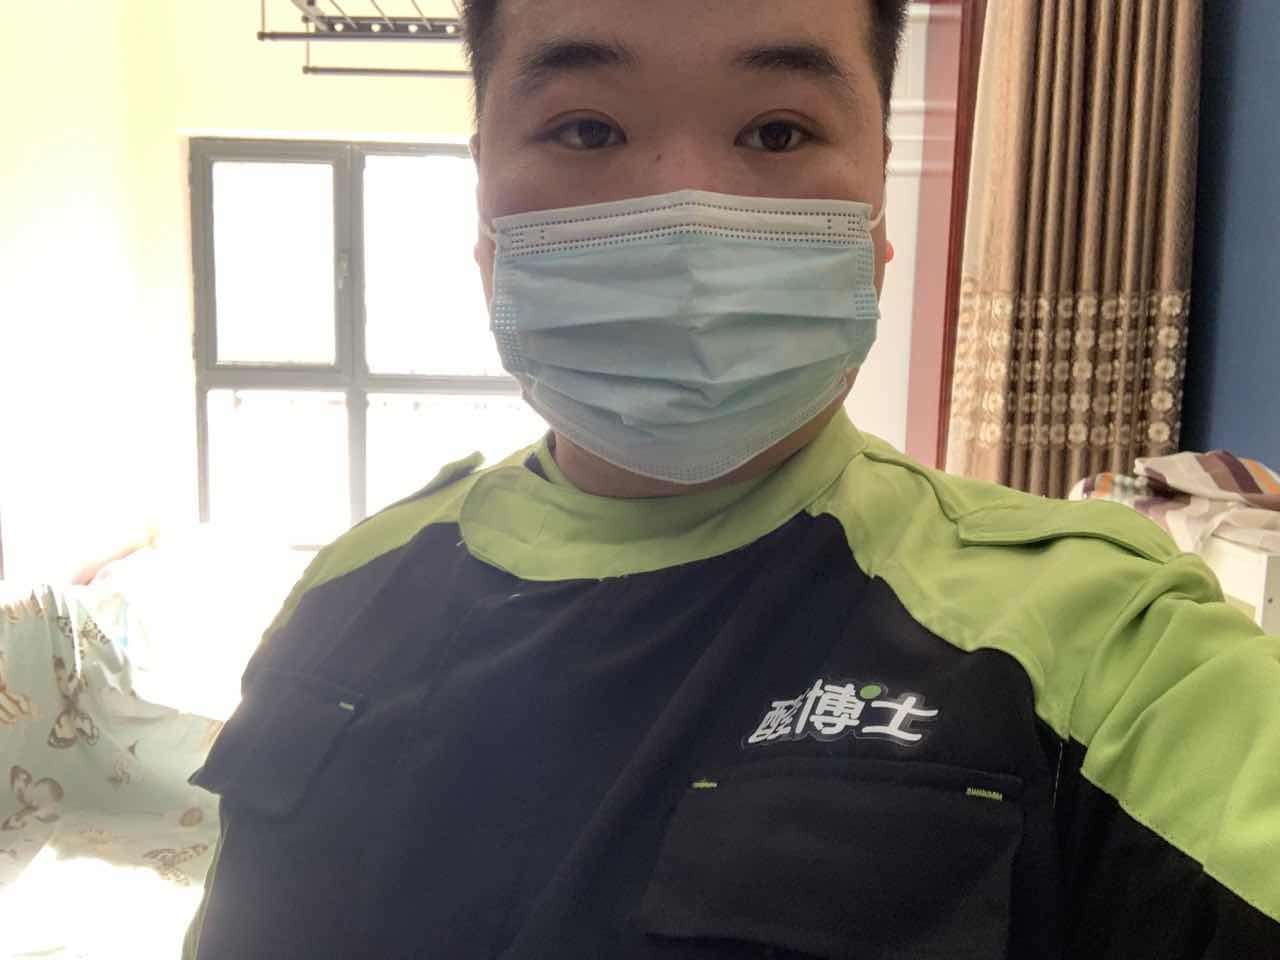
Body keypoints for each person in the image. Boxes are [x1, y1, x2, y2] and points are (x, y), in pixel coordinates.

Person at [183, 1, 1280, 956]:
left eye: (776, 131)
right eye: (586, 128)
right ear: (483, 202)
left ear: (875, 204)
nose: (687, 211)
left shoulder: (1100, 646)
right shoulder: (345, 586)